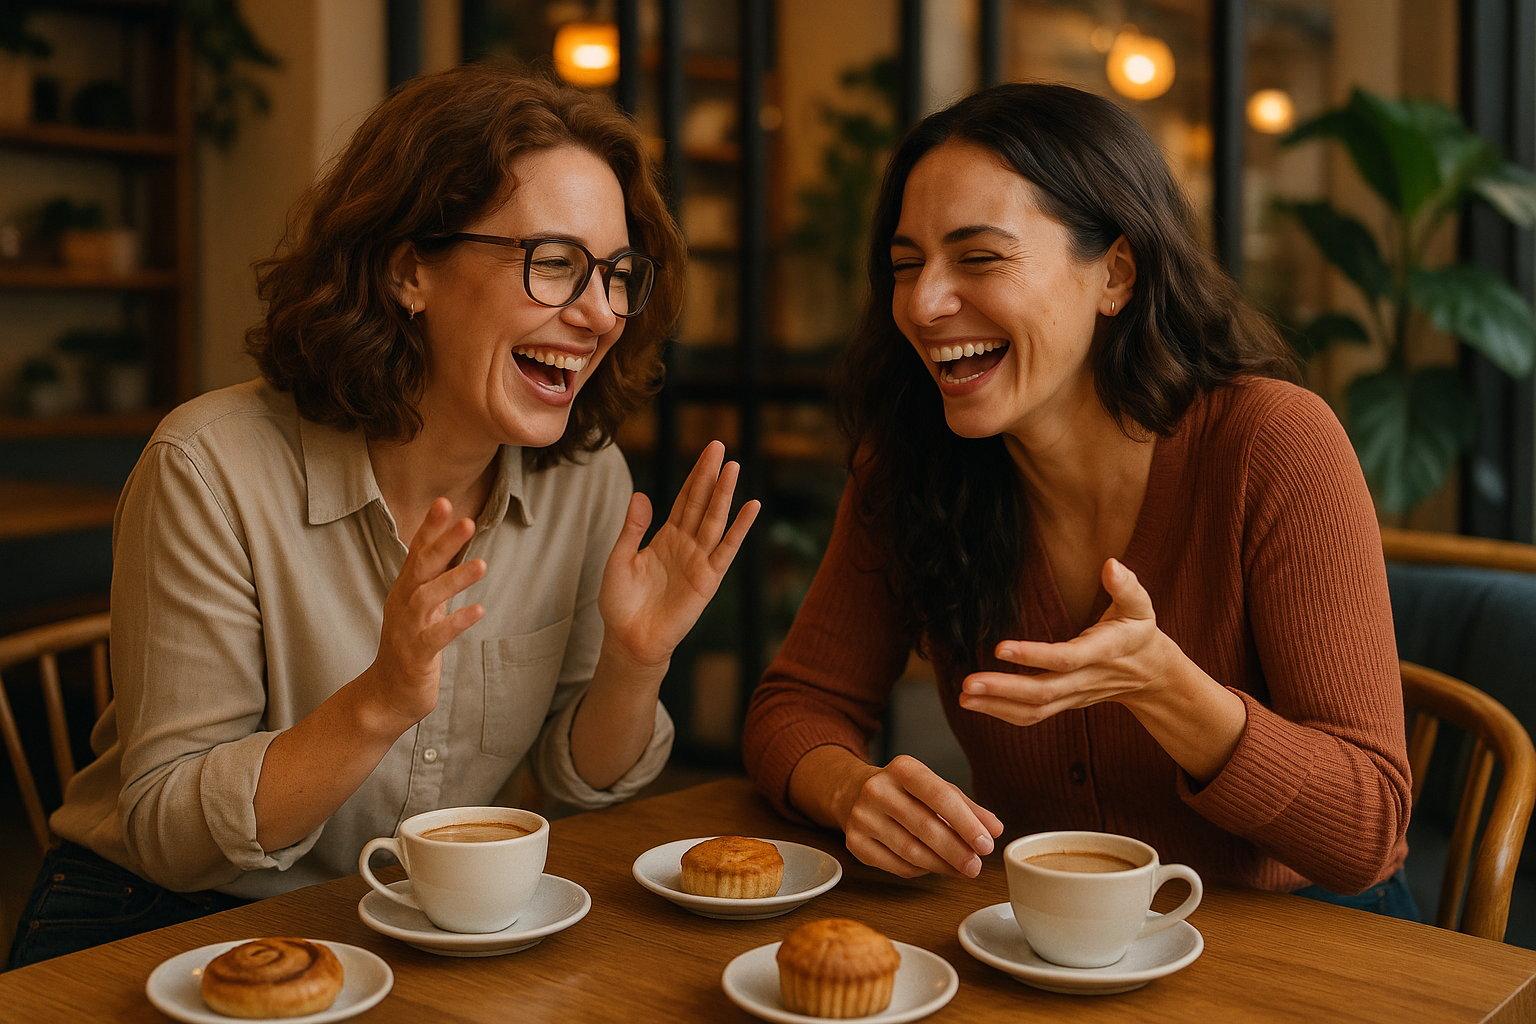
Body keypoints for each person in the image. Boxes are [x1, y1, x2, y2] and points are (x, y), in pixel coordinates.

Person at [8, 65, 758, 969]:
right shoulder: (209, 468)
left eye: (615, 274)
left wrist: (637, 664)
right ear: (410, 268)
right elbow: (170, 835)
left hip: (401, 921)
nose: (599, 314)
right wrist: (378, 703)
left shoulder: (587, 480)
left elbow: (581, 789)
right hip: (153, 923)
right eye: (554, 264)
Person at [742, 83, 1416, 918]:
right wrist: (850, 790)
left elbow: (1369, 832)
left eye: (980, 258)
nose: (923, 304)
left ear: (1115, 275)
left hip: (1294, 942)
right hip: (1047, 942)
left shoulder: (1270, 443)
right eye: (906, 264)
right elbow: (796, 707)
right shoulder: (912, 460)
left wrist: (1165, 686)